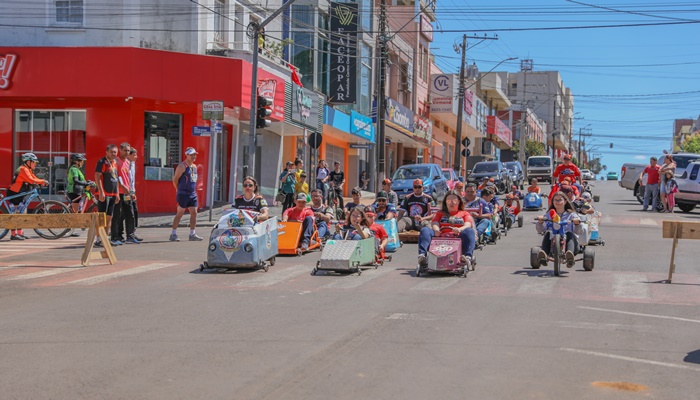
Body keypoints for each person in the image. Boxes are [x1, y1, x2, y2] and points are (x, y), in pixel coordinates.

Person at [417, 191, 476, 270]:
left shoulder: (465, 213)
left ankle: (467, 257)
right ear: (445, 202)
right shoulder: (439, 213)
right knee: (425, 230)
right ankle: (422, 256)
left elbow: (467, 224)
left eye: (454, 200)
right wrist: (436, 230)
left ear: (459, 201)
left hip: (458, 237)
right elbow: (435, 223)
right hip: (441, 237)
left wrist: (459, 229)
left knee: (469, 231)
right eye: (449, 200)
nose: (451, 203)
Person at [535, 191, 583, 268]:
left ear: (565, 201)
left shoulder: (571, 214)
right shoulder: (549, 214)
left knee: (569, 234)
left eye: (560, 200)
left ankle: (569, 255)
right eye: (555, 200)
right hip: (553, 242)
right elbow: (541, 230)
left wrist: (577, 223)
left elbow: (579, 231)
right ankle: (544, 254)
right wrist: (540, 222)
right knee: (548, 233)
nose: (557, 202)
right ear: (552, 202)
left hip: (571, 243)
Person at [6, 152, 48, 240]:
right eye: (34, 162)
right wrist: (42, 181)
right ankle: (13, 234)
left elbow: (34, 178)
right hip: (15, 193)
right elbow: (31, 179)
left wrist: (40, 182)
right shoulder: (23, 169)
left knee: (22, 212)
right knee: (16, 214)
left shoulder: (28, 169)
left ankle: (20, 233)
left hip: (20, 193)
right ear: (28, 162)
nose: (35, 164)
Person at [170, 147, 203, 242]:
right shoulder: (182, 166)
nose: (194, 156)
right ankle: (173, 233)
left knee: (194, 213)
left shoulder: (194, 166)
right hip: (183, 193)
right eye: (192, 155)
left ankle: (192, 234)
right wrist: (178, 189)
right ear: (186, 155)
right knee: (180, 213)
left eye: (195, 155)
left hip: (192, 193)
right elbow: (175, 179)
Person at [95, 144, 121, 246]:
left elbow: (116, 178)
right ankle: (98, 238)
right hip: (104, 193)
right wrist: (101, 191)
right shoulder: (102, 161)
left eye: (115, 152)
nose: (113, 154)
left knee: (109, 217)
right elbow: (97, 175)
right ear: (107, 152)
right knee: (102, 217)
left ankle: (105, 238)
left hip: (113, 193)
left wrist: (117, 193)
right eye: (111, 152)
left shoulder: (115, 162)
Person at [113, 142, 139, 245]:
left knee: (130, 214)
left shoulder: (128, 163)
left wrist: (131, 191)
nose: (127, 152)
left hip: (127, 193)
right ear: (120, 150)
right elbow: (115, 177)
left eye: (128, 150)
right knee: (117, 215)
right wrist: (121, 186)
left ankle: (130, 236)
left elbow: (129, 179)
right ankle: (116, 236)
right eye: (125, 150)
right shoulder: (116, 162)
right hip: (118, 192)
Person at [127, 148, 143, 241]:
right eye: (134, 155)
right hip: (126, 192)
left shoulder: (133, 164)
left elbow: (132, 180)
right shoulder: (126, 163)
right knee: (129, 213)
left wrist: (133, 192)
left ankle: (132, 232)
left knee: (134, 212)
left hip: (132, 191)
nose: (136, 157)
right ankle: (126, 234)